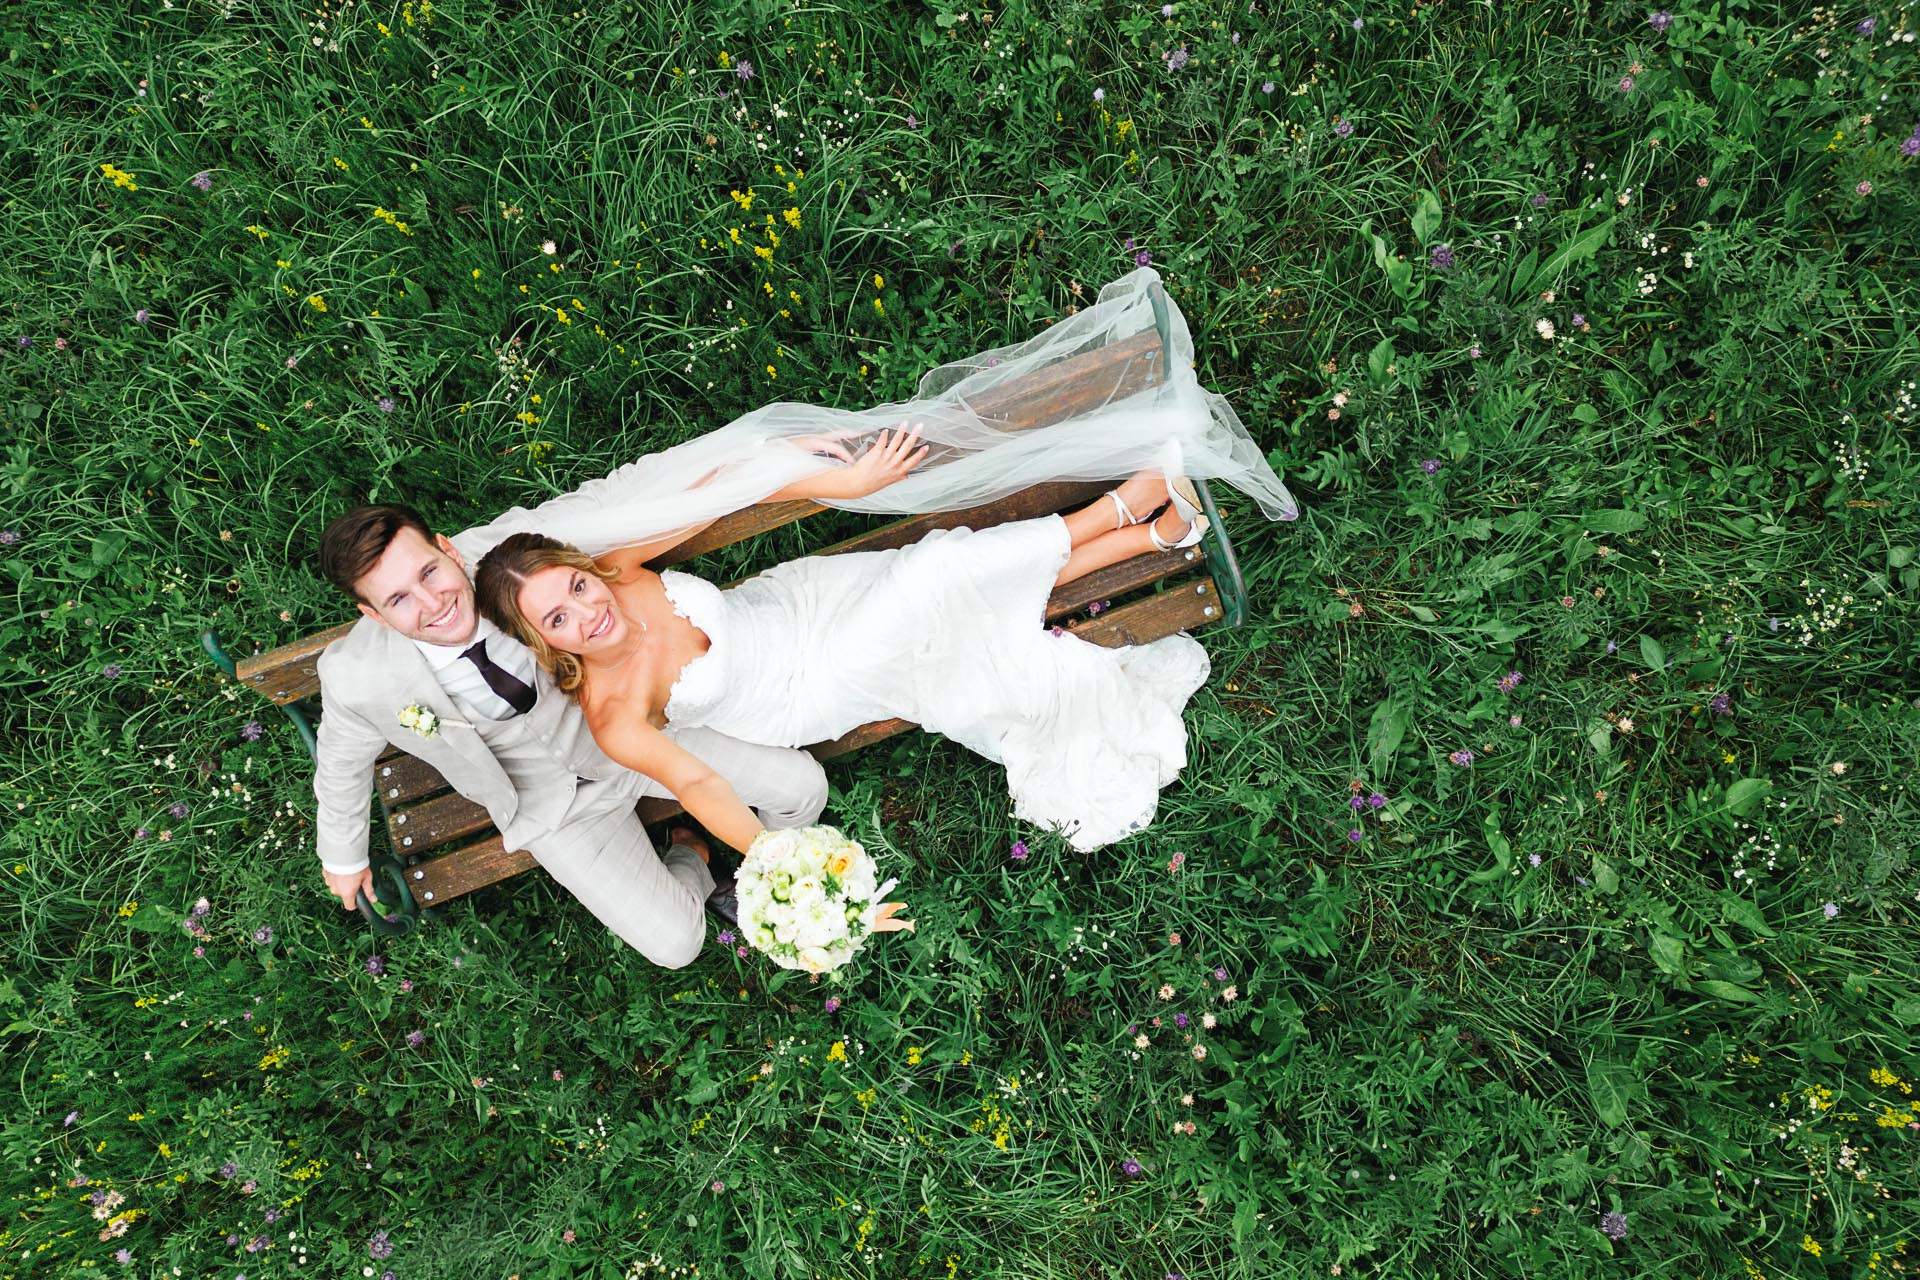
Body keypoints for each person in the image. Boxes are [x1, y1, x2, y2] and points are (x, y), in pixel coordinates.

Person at [310, 436, 925, 969]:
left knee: (802, 788)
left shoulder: (509, 556)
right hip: (549, 810)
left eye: (429, 573)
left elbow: (622, 493)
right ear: (373, 614)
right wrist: (342, 855)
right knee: (676, 944)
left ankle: (767, 881)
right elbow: (340, 760)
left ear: (448, 549)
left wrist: (765, 457)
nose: (433, 604)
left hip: (634, 730)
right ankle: (693, 853)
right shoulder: (356, 675)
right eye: (398, 600)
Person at [473, 464, 1219, 853]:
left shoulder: (619, 570)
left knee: (962, 598)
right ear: (545, 641)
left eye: (576, 586)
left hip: (802, 602)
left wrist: (837, 483)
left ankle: (1153, 535)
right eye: (559, 618)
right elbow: (696, 782)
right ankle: (1119, 508)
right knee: (934, 578)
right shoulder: (612, 714)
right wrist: (772, 856)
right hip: (808, 688)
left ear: (584, 568)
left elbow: (720, 495)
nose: (588, 611)